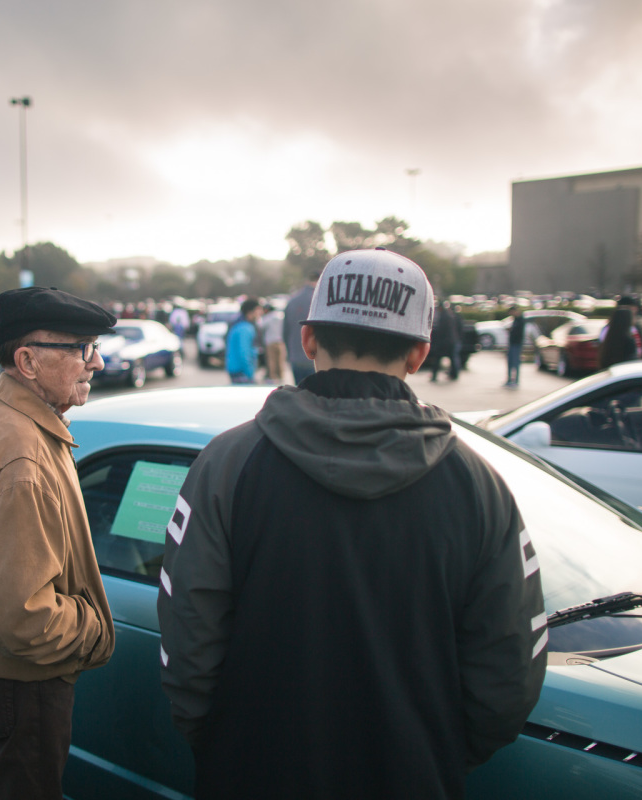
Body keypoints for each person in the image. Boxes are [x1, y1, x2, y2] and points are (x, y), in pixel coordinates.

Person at [158, 249, 547, 799]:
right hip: (415, 775)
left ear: (309, 339)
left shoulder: (227, 465)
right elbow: (510, 672)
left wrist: (222, 742)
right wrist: (433, 752)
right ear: (419, 354)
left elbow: (187, 635)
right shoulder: (479, 485)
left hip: (249, 770)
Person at [0, 286, 116, 799]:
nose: (97, 362)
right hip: (21, 684)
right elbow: (21, 618)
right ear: (28, 360)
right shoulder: (23, 453)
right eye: (82, 348)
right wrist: (95, 629)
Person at [283, 270, 320, 384]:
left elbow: (285, 332)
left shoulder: (292, 301)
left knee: (300, 394)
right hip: (316, 358)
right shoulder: (320, 299)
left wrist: (289, 354)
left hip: (295, 357)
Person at [225, 297, 263, 384]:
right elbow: (244, 353)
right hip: (242, 372)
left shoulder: (238, 325)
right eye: (258, 310)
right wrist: (250, 374)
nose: (260, 313)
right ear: (250, 312)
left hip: (236, 370)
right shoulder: (245, 328)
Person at [428, 300, 461, 382]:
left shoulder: (443, 317)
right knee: (453, 358)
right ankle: (454, 374)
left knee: (438, 358)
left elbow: (442, 330)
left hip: (445, 342)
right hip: (452, 341)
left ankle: (434, 375)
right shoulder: (450, 315)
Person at [260, 304, 286, 383]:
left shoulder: (268, 317)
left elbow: (261, 326)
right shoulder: (280, 316)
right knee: (280, 361)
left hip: (270, 342)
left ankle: (273, 377)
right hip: (280, 341)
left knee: (272, 361)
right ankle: (281, 377)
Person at [504, 305, 527, 388]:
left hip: (516, 344)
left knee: (515, 362)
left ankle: (515, 380)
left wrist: (511, 331)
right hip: (513, 343)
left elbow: (519, 333)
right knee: (510, 362)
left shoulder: (520, 320)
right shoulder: (516, 320)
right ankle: (510, 379)